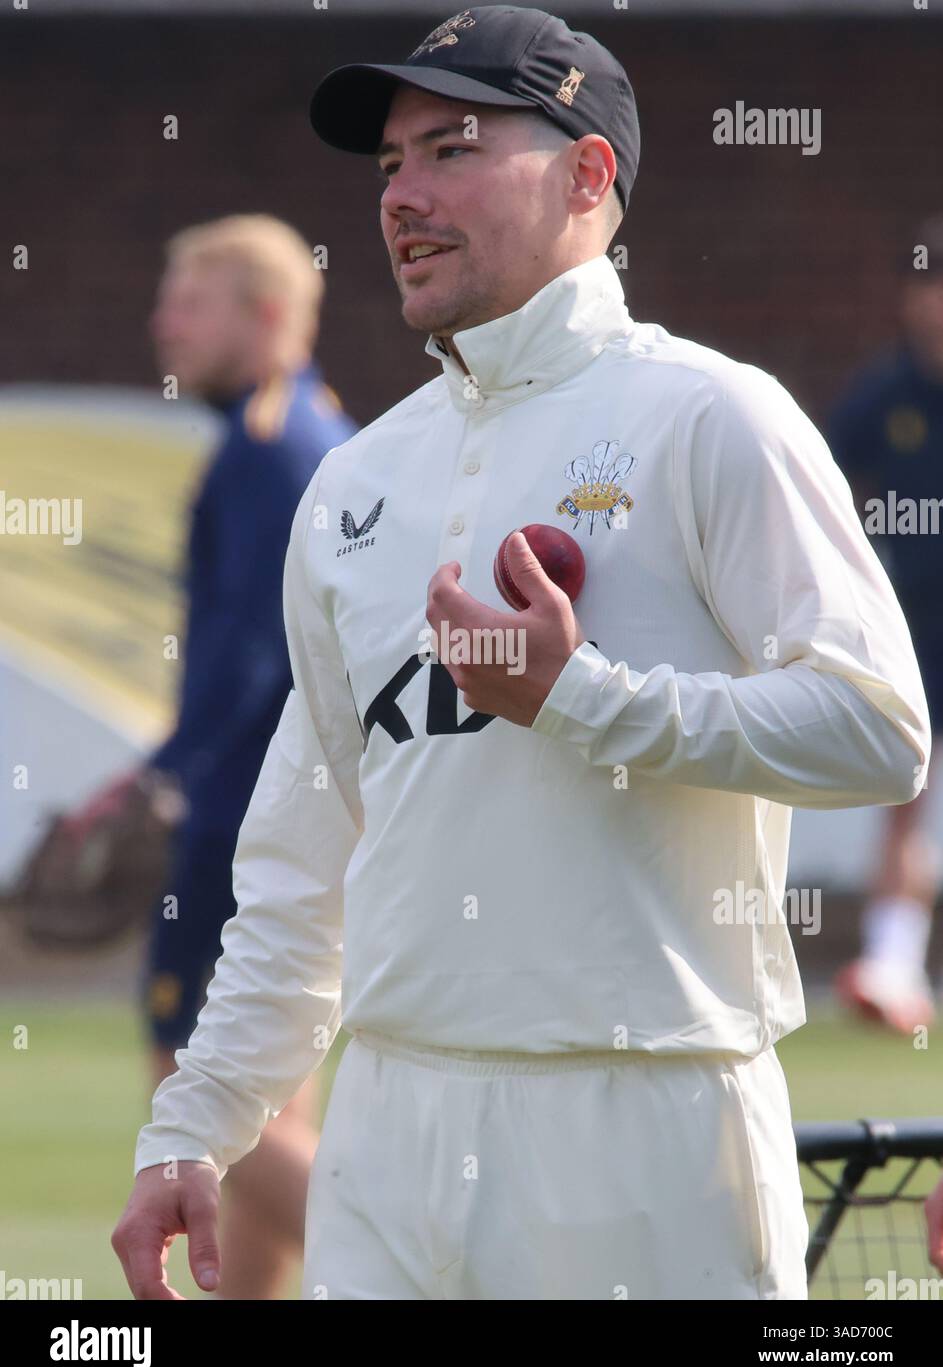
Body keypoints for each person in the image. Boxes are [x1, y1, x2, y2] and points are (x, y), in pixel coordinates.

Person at [113, 8, 929, 1301]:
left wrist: (584, 699)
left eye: (450, 149)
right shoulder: (351, 484)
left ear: (589, 177)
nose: (404, 197)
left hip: (646, 1126)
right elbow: (296, 867)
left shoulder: (710, 417)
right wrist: (193, 1124)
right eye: (389, 167)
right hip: (387, 1129)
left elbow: (877, 729)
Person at [117, 214, 356, 1298]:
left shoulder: (270, 450)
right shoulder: (313, 430)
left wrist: (157, 778)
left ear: (265, 315)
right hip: (300, 817)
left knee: (197, 1083)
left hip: (248, 825)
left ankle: (429, 1274)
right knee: (270, 1100)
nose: (164, 323)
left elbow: (250, 664)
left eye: (191, 303)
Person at [826, 219, 943, 1034]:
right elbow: (823, 485)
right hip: (920, 625)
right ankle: (893, 969)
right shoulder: (885, 393)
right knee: (908, 790)